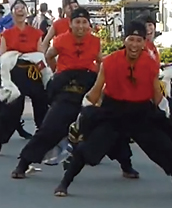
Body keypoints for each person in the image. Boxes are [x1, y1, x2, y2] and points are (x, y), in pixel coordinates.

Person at [54, 21, 172, 197]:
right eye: (131, 39)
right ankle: (64, 183)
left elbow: (156, 93)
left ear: (144, 43)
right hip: (114, 112)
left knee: (166, 149)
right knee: (88, 150)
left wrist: (166, 111)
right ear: (125, 40)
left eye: (139, 40)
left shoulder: (150, 63)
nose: (134, 44)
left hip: (141, 113)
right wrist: (83, 113)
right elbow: (95, 92)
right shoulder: (109, 62)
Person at [11, 7, 101, 178]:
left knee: (105, 125)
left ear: (88, 24)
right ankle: (23, 163)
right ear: (71, 24)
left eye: (84, 22)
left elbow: (100, 60)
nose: (81, 26)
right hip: (66, 88)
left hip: (88, 86)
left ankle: (126, 165)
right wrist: (57, 72)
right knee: (50, 128)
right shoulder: (61, 40)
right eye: (77, 22)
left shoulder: (95, 41)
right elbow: (49, 55)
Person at [0, 0, 50, 156]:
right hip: (14, 73)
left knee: (42, 105)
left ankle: (44, 142)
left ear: (27, 11)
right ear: (12, 12)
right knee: (9, 109)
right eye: (17, 8)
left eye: (23, 8)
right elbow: (2, 56)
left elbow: (39, 56)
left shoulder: (36, 33)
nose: (20, 11)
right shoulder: (7, 34)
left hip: (32, 73)